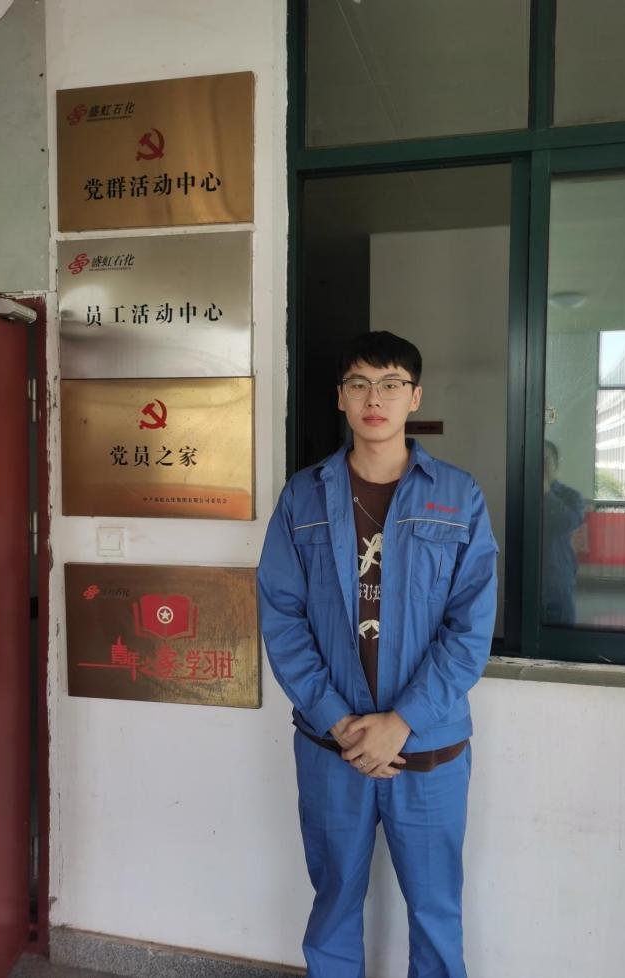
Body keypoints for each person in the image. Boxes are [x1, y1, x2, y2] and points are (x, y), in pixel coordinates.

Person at [257, 331, 497, 978]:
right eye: (359, 383)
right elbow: (282, 618)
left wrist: (402, 720)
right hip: (331, 745)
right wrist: (337, 719)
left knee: (435, 910)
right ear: (340, 397)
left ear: (414, 397)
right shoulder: (303, 497)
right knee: (334, 901)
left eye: (391, 384)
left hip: (429, 748)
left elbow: (470, 628)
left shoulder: (458, 496)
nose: (374, 398)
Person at [542, 440, 585, 625]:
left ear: (556, 464)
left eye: (546, 460)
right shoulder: (522, 494)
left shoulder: (571, 496)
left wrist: (546, 492)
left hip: (557, 577)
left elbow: (569, 522)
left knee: (561, 628)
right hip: (527, 576)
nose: (541, 466)